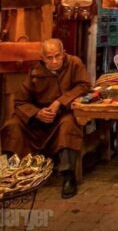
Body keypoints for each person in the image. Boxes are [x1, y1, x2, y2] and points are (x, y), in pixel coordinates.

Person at [0, 39, 91, 199]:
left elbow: (84, 86)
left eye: (57, 56)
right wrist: (37, 113)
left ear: (63, 54)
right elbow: (21, 101)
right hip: (39, 116)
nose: (54, 61)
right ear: (42, 58)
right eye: (49, 57)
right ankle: (12, 174)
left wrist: (60, 102)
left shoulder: (74, 64)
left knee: (68, 126)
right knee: (12, 125)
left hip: (63, 112)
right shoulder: (35, 70)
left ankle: (68, 176)